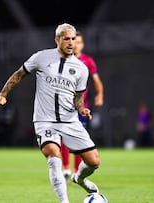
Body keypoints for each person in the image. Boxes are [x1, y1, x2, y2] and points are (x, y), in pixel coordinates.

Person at [0, 23, 101, 203]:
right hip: (45, 121)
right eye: (66, 38)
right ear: (57, 40)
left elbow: (79, 96)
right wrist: (3, 94)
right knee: (53, 154)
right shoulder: (42, 57)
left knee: (94, 162)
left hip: (70, 121)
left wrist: (82, 108)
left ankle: (79, 178)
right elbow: (19, 74)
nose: (70, 43)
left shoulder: (81, 68)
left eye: (73, 39)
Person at [61, 31, 104, 181]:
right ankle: (65, 168)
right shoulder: (63, 60)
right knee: (63, 138)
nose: (75, 44)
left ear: (82, 44)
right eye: (73, 41)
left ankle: (75, 170)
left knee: (78, 139)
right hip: (64, 106)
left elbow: (96, 80)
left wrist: (100, 94)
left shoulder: (88, 61)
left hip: (80, 107)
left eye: (78, 42)